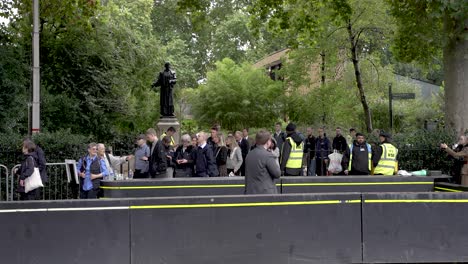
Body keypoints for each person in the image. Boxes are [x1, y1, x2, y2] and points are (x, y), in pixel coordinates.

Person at [245, 130, 281, 194]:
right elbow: (277, 173)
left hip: (250, 192)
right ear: (268, 142)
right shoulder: (268, 155)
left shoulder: (249, 154)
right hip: (266, 193)